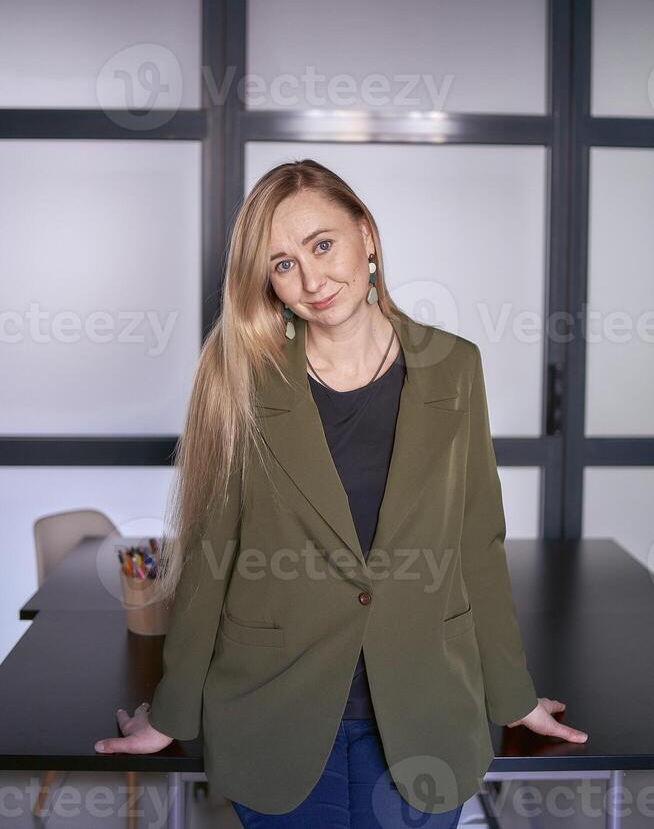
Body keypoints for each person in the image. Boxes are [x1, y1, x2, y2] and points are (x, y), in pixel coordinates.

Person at [94, 159, 588, 826]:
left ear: (367, 236)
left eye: (321, 245)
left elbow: (476, 542)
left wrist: (514, 695)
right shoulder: (238, 376)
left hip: (427, 712)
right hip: (277, 714)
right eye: (283, 264)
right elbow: (211, 554)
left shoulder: (454, 366)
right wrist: (173, 710)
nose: (312, 279)